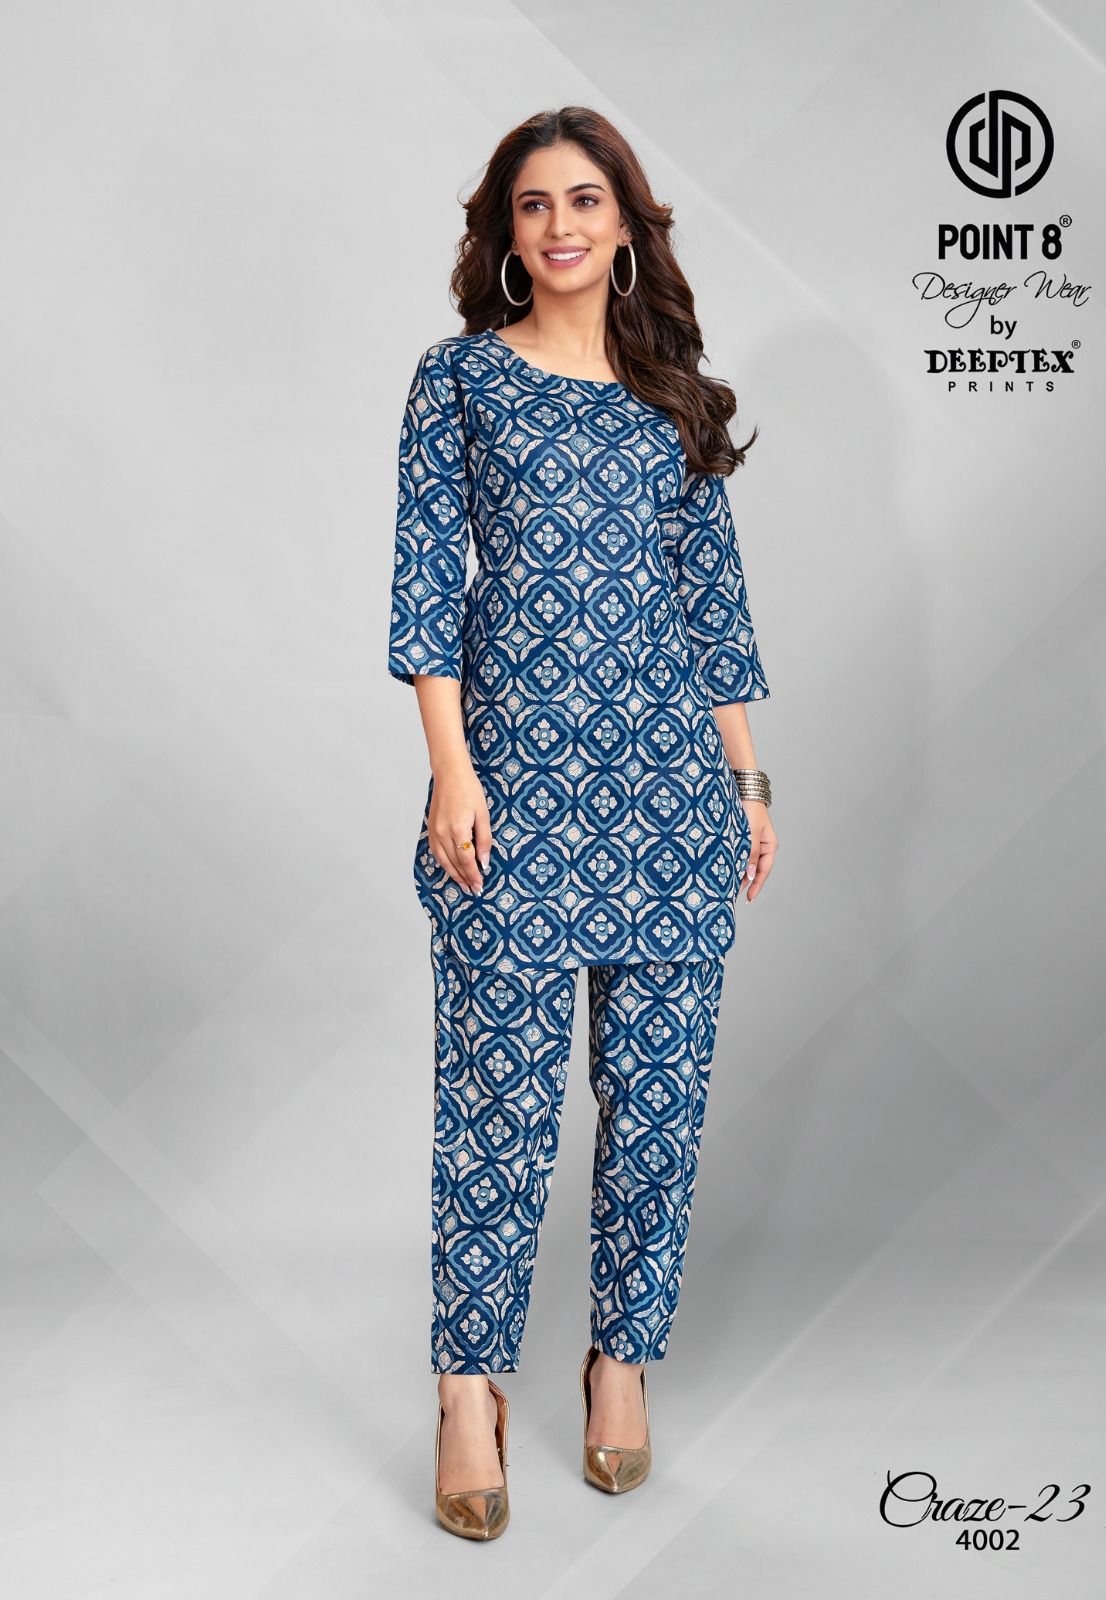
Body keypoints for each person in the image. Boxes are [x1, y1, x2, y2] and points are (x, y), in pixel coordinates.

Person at [387, 106, 778, 1541]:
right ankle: (468, 1390)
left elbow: (711, 601)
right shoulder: (460, 382)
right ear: (507, 232)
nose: (561, 224)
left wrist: (749, 781)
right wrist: (451, 769)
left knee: (658, 1103)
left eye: (586, 200)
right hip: (514, 794)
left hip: (672, 795)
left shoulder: (675, 396)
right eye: (535, 203)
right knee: (497, 1104)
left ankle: (622, 1363)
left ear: (626, 225)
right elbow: (426, 582)